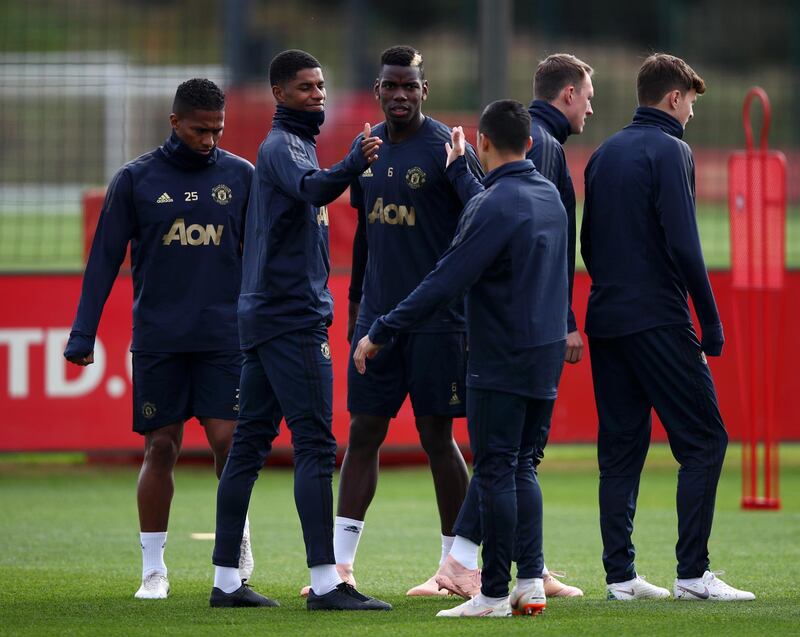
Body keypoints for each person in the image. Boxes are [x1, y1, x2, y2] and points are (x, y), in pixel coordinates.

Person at [354, 99, 569, 618]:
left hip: (499, 356)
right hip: (545, 356)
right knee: (522, 467)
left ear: (485, 144)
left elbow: (444, 280)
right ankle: (530, 583)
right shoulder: (549, 197)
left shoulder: (491, 206)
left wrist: (380, 329)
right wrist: (458, 173)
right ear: (532, 144)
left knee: (494, 470)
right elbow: (491, 206)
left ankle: (493, 593)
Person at [209, 49, 391, 611]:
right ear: (279, 95)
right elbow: (316, 190)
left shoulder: (295, 145)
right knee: (314, 444)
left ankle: (225, 583)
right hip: (291, 317)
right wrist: (354, 164)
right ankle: (327, 583)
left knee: (248, 447)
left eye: (321, 84)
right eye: (306, 87)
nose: (318, 93)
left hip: (268, 313)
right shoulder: (283, 147)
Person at [63, 78, 255, 600]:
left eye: (218, 129)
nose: (210, 138)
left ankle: (236, 545)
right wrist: (83, 333)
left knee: (230, 443)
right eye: (200, 129)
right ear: (174, 122)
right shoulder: (136, 179)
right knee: (161, 447)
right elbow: (103, 259)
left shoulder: (242, 177)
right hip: (160, 338)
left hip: (223, 337)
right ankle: (153, 568)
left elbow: (263, 254)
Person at [581, 53, 755, 601]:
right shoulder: (671, 149)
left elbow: (586, 242)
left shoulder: (603, 153)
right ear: (674, 98)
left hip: (605, 320)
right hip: (658, 317)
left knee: (621, 450)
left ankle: (620, 577)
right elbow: (684, 243)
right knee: (705, 438)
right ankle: (692, 574)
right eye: (692, 104)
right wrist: (711, 320)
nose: (692, 116)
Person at [316, 45, 483, 599]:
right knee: (363, 432)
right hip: (378, 323)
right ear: (379, 90)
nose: (402, 95)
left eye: (411, 86)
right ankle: (340, 569)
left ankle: (453, 568)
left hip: (439, 323)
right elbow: (366, 233)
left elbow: (480, 223)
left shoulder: (448, 149)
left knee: (439, 436)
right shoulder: (368, 150)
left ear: (424, 90)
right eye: (392, 86)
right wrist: (359, 301)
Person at [433, 52, 595, 601]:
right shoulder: (545, 150)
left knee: (506, 461)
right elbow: (536, 240)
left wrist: (459, 173)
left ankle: (500, 575)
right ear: (566, 95)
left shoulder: (535, 146)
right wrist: (566, 320)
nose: (592, 108)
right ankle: (523, 574)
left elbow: (507, 220)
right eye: (589, 97)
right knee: (517, 461)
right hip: (531, 335)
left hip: (512, 339)